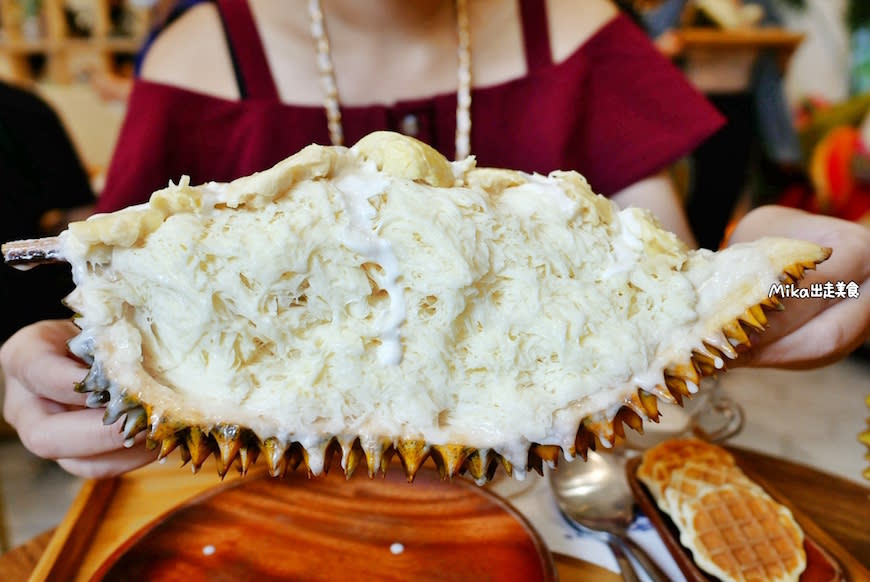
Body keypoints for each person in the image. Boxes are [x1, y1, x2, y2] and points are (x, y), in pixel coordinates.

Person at [1, 0, 868, 479]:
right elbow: (116, 283)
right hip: (254, 520)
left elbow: (674, 279)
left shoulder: (583, 33)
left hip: (562, 508)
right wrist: (57, 377)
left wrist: (791, 284)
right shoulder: (192, 56)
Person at [0, 80, 96, 342]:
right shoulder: (25, 107)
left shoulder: (23, 108)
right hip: (27, 310)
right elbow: (80, 216)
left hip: (26, 313)